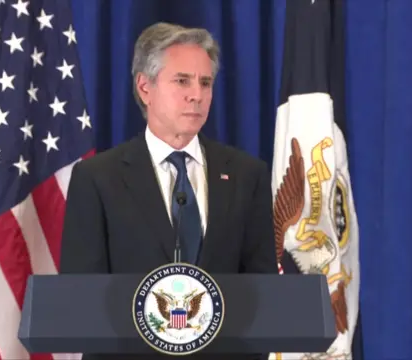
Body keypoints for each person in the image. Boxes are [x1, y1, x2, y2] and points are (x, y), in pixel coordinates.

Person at [60, 22, 299, 360]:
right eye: (182, 81)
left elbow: (259, 291)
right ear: (145, 87)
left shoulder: (247, 175)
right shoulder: (98, 178)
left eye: (206, 83)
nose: (196, 95)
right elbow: (82, 297)